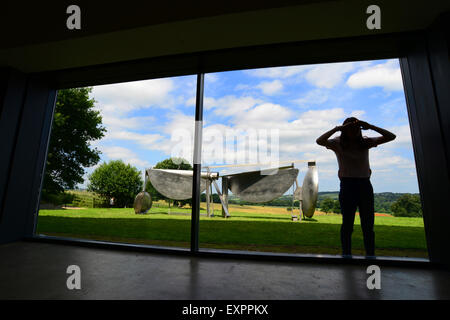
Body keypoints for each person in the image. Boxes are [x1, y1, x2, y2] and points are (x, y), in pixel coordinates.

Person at [316, 117, 396, 257]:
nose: (353, 131)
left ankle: (370, 255)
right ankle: (347, 254)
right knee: (347, 224)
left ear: (360, 129)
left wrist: (369, 125)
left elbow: (391, 136)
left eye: (355, 128)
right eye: (349, 128)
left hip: (363, 184)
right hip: (348, 185)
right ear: (344, 130)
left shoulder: (366, 142)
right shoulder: (337, 143)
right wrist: (337, 129)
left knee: (368, 225)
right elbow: (319, 141)